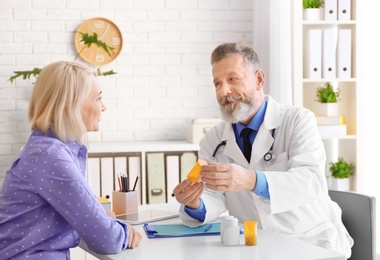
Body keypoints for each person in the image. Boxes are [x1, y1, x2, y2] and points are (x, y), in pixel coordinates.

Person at [173, 42, 353, 257]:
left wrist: (250, 179)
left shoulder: (297, 120)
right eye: (217, 84)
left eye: (232, 79)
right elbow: (214, 196)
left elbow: (309, 180)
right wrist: (195, 203)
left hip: (309, 244)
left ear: (259, 79)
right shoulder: (212, 140)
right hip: (255, 247)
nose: (224, 91)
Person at [0, 61, 142, 259]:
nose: (104, 107)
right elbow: (107, 238)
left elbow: (92, 218)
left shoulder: (50, 150)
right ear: (71, 104)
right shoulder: (51, 156)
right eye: (98, 98)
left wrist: (103, 221)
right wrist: (124, 233)